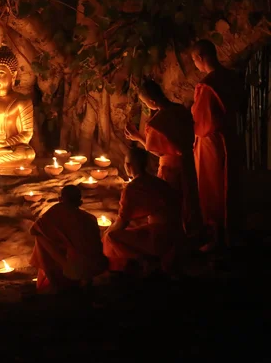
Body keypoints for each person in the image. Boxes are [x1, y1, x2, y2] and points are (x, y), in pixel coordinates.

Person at [125, 79, 202, 237]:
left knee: (171, 202)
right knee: (189, 198)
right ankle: (193, 233)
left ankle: (173, 237)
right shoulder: (181, 109)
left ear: (152, 101)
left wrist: (137, 137)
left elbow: (158, 151)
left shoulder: (157, 123)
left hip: (171, 167)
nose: (146, 106)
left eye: (145, 103)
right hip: (190, 162)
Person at [190, 39, 244, 250]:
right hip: (230, 136)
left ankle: (217, 236)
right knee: (230, 183)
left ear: (200, 57)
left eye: (194, 60)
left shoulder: (207, 85)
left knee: (212, 187)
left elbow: (202, 120)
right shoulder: (232, 77)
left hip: (211, 141)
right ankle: (232, 232)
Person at [102, 147, 185, 274]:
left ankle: (143, 261)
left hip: (161, 238)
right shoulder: (157, 181)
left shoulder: (133, 188)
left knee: (111, 238)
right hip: (177, 230)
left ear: (128, 166)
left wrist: (104, 235)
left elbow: (122, 223)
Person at [29, 185, 108, 294]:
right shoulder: (90, 217)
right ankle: (85, 279)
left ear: (60, 199)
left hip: (75, 268)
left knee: (40, 238)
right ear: (80, 201)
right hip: (98, 265)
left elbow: (34, 230)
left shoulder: (56, 211)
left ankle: (55, 281)